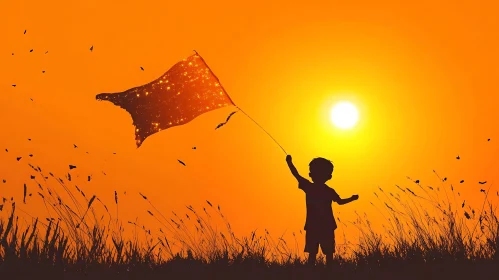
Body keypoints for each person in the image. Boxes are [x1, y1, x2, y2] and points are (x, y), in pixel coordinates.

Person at [286, 154, 359, 266]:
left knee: (316, 253)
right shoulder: (326, 190)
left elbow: (296, 174)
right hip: (325, 226)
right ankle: (325, 273)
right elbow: (340, 201)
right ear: (329, 176)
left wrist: (289, 162)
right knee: (324, 253)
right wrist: (352, 198)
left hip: (316, 226)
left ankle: (315, 273)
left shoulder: (310, 187)